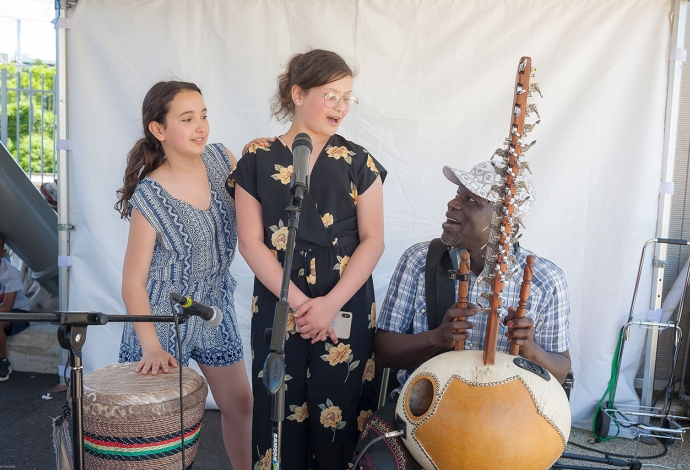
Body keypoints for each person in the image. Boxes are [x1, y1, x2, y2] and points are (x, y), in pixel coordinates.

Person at [355, 161, 571, 469]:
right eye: (458, 194)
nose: (453, 203)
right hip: (422, 414)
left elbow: (560, 372)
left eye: (470, 200)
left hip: (509, 425)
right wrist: (437, 338)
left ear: (504, 219)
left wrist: (530, 349)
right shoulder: (419, 261)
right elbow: (383, 352)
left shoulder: (545, 281)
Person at [230, 49, 386, 469]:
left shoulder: (359, 161)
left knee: (342, 408)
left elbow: (373, 240)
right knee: (277, 408)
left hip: (345, 299)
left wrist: (329, 304)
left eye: (347, 97)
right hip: (280, 301)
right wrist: (302, 306)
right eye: (330, 95)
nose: (341, 106)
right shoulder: (255, 160)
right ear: (298, 94)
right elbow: (250, 243)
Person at [114, 80, 252, 468]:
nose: (200, 126)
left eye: (203, 116)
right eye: (187, 119)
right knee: (155, 424)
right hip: (161, 315)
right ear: (158, 129)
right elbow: (133, 281)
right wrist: (151, 346)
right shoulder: (149, 196)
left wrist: (261, 154)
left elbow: (261, 198)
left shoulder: (222, 159)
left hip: (214, 306)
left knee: (241, 404)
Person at [0, 232, 31, 381]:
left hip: (17, 313)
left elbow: (7, 307)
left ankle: (2, 362)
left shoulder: (10, 272)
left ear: (3, 253)